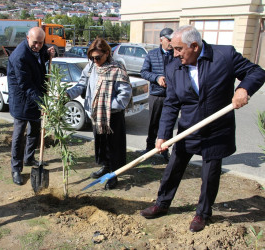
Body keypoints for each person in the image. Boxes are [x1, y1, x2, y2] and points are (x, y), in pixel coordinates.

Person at [140, 25, 265, 232]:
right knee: (173, 168)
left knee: (210, 175)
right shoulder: (173, 67)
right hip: (188, 128)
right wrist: (163, 135)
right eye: (172, 49)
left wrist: (243, 88)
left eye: (179, 49)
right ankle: (162, 204)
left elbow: (256, 72)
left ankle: (203, 214)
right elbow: (171, 104)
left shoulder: (224, 56)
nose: (175, 54)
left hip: (217, 130)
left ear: (195, 46)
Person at [66, 38, 132, 190]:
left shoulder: (117, 68)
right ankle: (105, 167)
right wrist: (68, 94)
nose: (95, 61)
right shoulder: (91, 67)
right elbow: (82, 84)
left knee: (114, 147)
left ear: (107, 53)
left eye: (98, 57)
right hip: (96, 115)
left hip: (112, 115)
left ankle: (114, 175)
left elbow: (124, 95)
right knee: (101, 145)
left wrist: (106, 106)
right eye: (92, 58)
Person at [7, 27, 55, 186]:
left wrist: (50, 54)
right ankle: (16, 168)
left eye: (41, 43)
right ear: (27, 38)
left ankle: (29, 158)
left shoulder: (40, 47)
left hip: (36, 97)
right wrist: (42, 102)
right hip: (22, 100)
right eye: (35, 43)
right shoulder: (20, 56)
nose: (38, 46)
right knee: (19, 135)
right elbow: (25, 84)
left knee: (35, 130)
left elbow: (43, 55)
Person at [140, 28, 174, 162]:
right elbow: (144, 72)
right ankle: (149, 148)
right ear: (161, 40)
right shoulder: (152, 54)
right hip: (156, 95)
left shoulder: (177, 54)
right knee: (153, 123)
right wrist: (157, 78)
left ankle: (165, 150)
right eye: (169, 39)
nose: (171, 42)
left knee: (167, 124)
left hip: (171, 96)